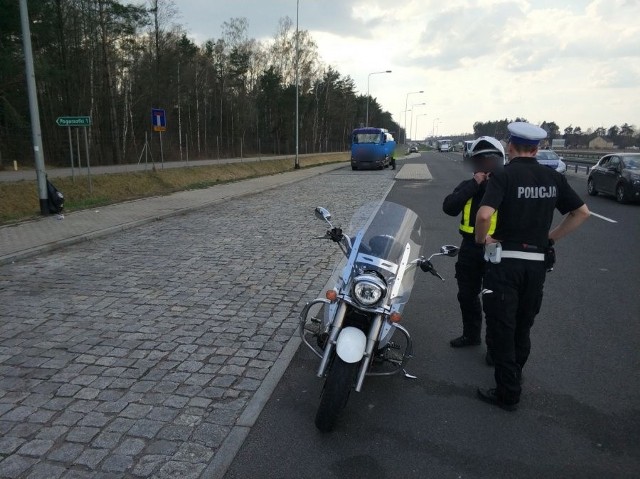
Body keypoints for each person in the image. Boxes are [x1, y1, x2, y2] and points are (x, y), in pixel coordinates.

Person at [474, 121, 590, 411]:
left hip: (505, 264)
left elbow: (485, 215)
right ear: (537, 149)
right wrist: (549, 238)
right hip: (536, 265)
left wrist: (482, 240)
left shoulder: (502, 175)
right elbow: (582, 213)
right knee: (522, 326)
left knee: (502, 327)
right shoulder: (552, 177)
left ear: (510, 146)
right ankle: (516, 375)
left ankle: (507, 393)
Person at [442, 136, 504, 366]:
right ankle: (471, 335)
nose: (484, 168)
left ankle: (495, 347)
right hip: (469, 246)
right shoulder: (469, 185)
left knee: (493, 299)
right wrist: (474, 184)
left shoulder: (504, 185)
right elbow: (449, 207)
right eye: (480, 163)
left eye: (489, 163)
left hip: (494, 247)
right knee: (466, 294)